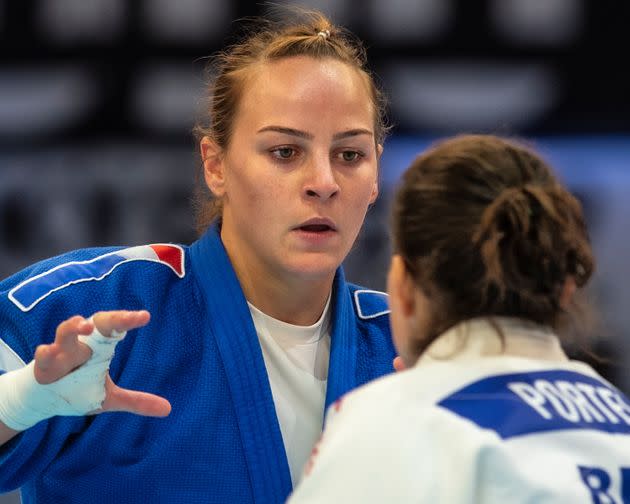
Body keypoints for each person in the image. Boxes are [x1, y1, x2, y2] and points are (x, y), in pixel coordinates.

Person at [0, 10, 396, 504]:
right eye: (285, 152)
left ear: (377, 172)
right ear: (216, 166)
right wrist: (18, 401)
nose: (324, 182)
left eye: (350, 155)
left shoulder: (411, 348)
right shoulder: (95, 310)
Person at [288, 134, 630, 503]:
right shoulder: (618, 421)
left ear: (403, 284)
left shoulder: (394, 425)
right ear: (565, 288)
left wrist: (407, 408)